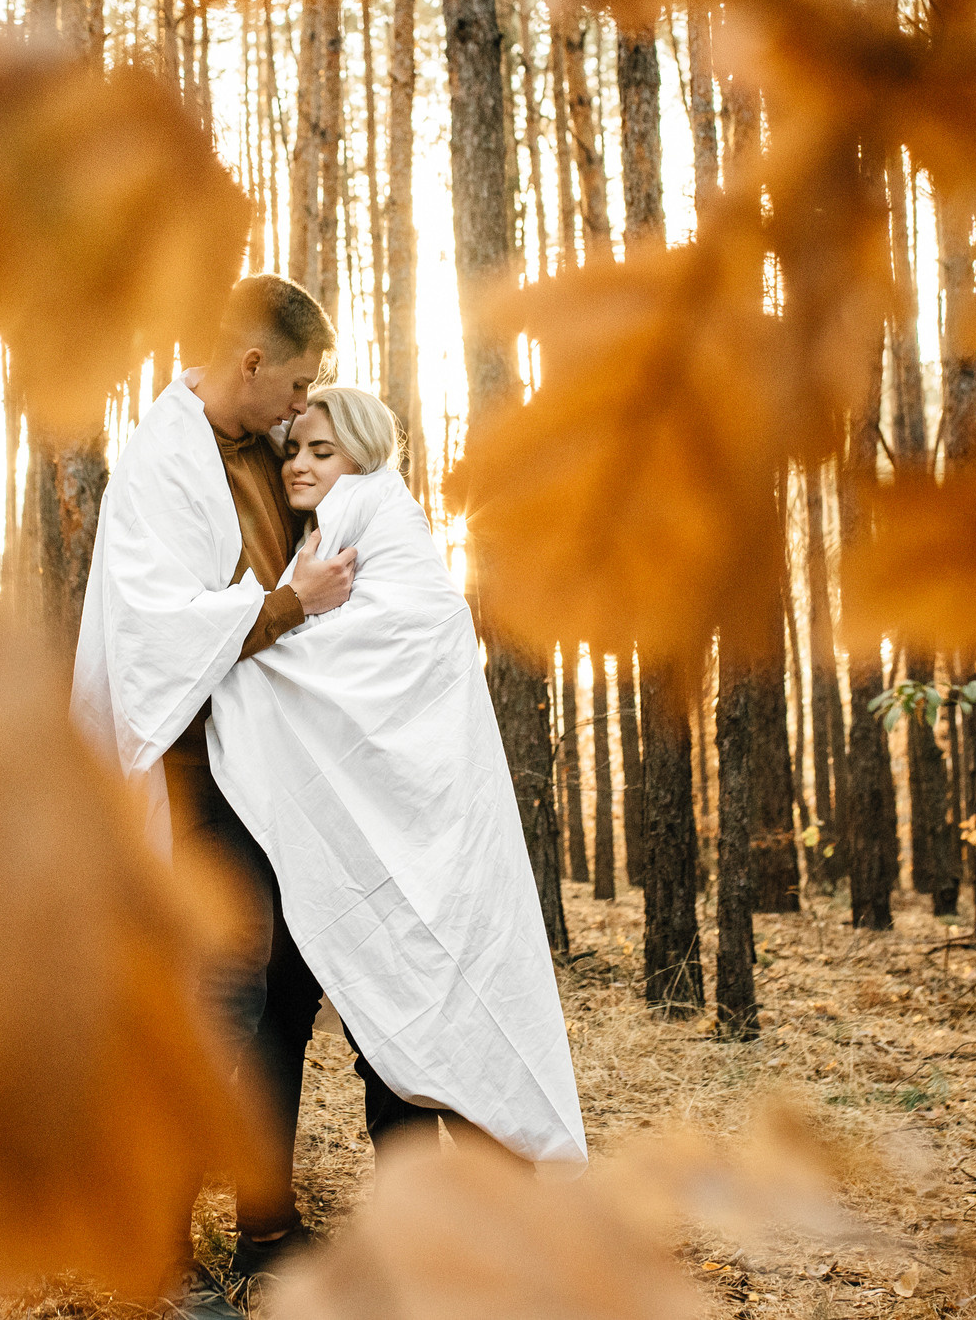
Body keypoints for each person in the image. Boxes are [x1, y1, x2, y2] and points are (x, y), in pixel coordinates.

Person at [70, 275, 360, 1312]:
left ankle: (266, 1224)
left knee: (288, 988)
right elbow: (159, 634)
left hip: (271, 766)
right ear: (250, 360)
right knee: (218, 995)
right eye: (298, 381)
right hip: (188, 769)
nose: (303, 402)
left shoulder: (270, 452)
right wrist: (289, 603)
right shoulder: (164, 458)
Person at [208, 386, 588, 1175]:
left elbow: (385, 655)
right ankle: (301, 1219)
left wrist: (242, 648)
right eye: (293, 449)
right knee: (352, 1012)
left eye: (322, 451)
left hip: (413, 831)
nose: (299, 465)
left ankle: (439, 1216)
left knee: (403, 1014)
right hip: (345, 830)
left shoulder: (377, 520)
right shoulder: (325, 531)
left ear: (363, 456)